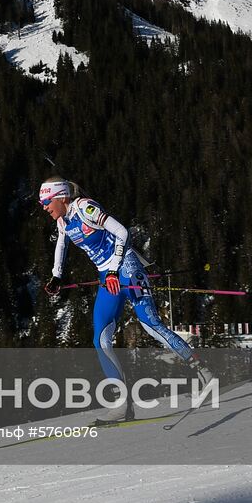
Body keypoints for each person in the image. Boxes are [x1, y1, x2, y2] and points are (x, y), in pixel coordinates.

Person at [40, 177, 212, 421]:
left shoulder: (86, 208)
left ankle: (204, 373)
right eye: (42, 203)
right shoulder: (62, 220)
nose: (44, 207)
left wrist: (114, 269)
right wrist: (57, 276)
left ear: (61, 197)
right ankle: (122, 404)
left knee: (150, 324)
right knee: (100, 339)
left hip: (127, 268)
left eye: (46, 202)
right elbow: (61, 244)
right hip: (107, 277)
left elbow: (122, 231)